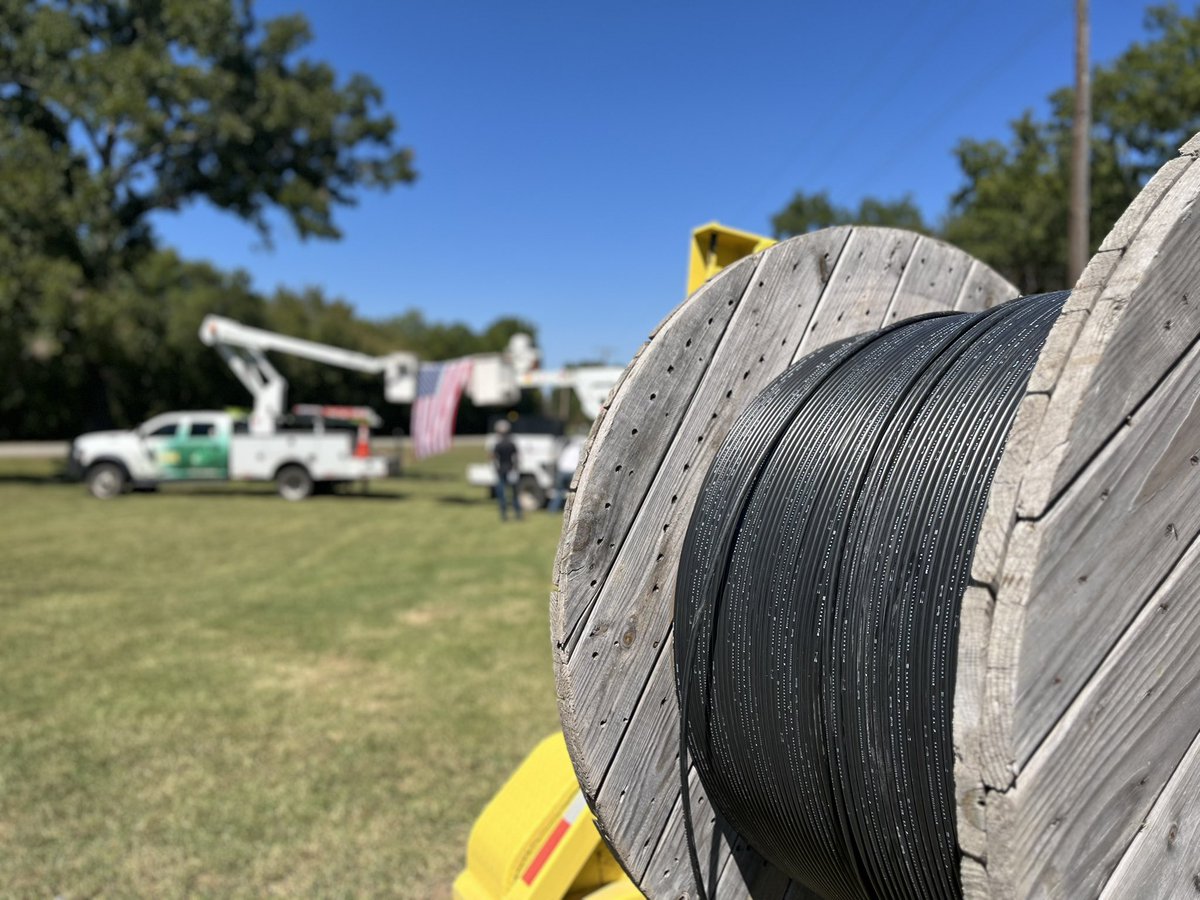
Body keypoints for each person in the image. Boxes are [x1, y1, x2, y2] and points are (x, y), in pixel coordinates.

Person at [492, 419, 521, 521]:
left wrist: (496, 469)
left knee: (502, 494)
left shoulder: (498, 444)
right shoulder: (511, 444)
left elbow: (493, 458)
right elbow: (516, 458)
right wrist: (516, 469)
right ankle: (518, 514)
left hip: (501, 471)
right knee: (514, 494)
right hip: (511, 470)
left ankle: (504, 515)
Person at [548, 436, 583, 512]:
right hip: (571, 472)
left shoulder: (567, 449)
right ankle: (574, 509)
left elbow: (560, 461)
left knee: (559, 492)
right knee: (574, 491)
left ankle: (552, 509)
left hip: (561, 472)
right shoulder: (578, 450)